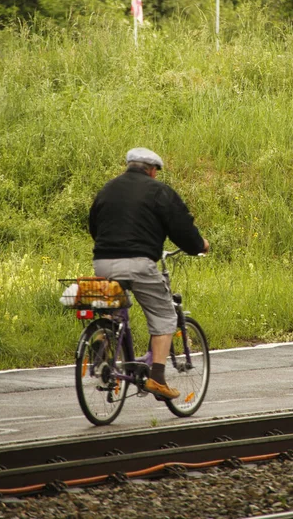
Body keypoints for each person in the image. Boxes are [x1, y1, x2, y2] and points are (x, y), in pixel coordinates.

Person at [89, 147, 209, 400]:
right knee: (164, 315)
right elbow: (182, 227)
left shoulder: (107, 189)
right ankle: (157, 378)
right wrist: (200, 246)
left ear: (129, 165)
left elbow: (94, 225)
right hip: (138, 264)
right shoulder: (158, 191)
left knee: (114, 311)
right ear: (152, 171)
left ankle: (104, 343)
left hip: (102, 262)